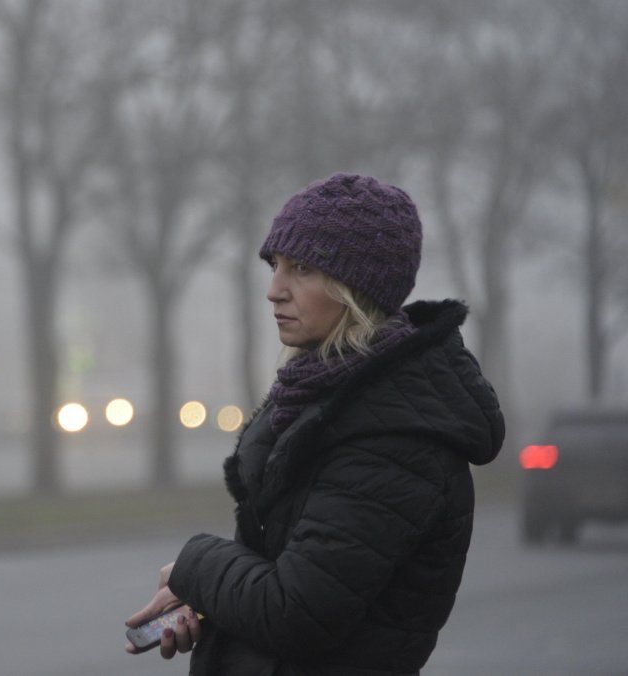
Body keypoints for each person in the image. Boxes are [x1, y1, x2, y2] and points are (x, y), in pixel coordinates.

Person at [125, 173, 504, 675]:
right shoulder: (330, 402)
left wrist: (194, 568)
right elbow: (289, 574)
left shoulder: (393, 437)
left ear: (357, 286)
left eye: (301, 268)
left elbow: (297, 613)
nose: (273, 290)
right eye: (275, 264)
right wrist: (208, 603)